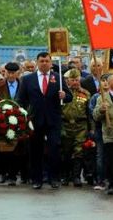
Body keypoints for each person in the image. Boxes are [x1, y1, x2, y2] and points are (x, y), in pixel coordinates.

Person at [17, 52, 73, 190]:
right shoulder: (28, 79)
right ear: (37, 62)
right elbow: (21, 100)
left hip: (53, 120)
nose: (44, 63)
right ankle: (37, 179)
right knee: (35, 150)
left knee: (54, 149)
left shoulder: (57, 77)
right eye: (41, 61)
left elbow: (69, 97)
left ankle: (54, 178)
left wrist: (64, 95)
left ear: (50, 62)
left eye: (47, 61)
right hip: (35, 120)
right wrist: (24, 115)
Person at [60, 68, 91, 187]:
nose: (75, 82)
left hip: (81, 126)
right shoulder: (63, 93)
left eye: (77, 80)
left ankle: (76, 176)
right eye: (72, 80)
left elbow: (89, 113)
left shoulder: (86, 93)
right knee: (66, 151)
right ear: (68, 81)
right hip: (66, 125)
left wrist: (91, 128)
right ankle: (66, 176)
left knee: (79, 151)